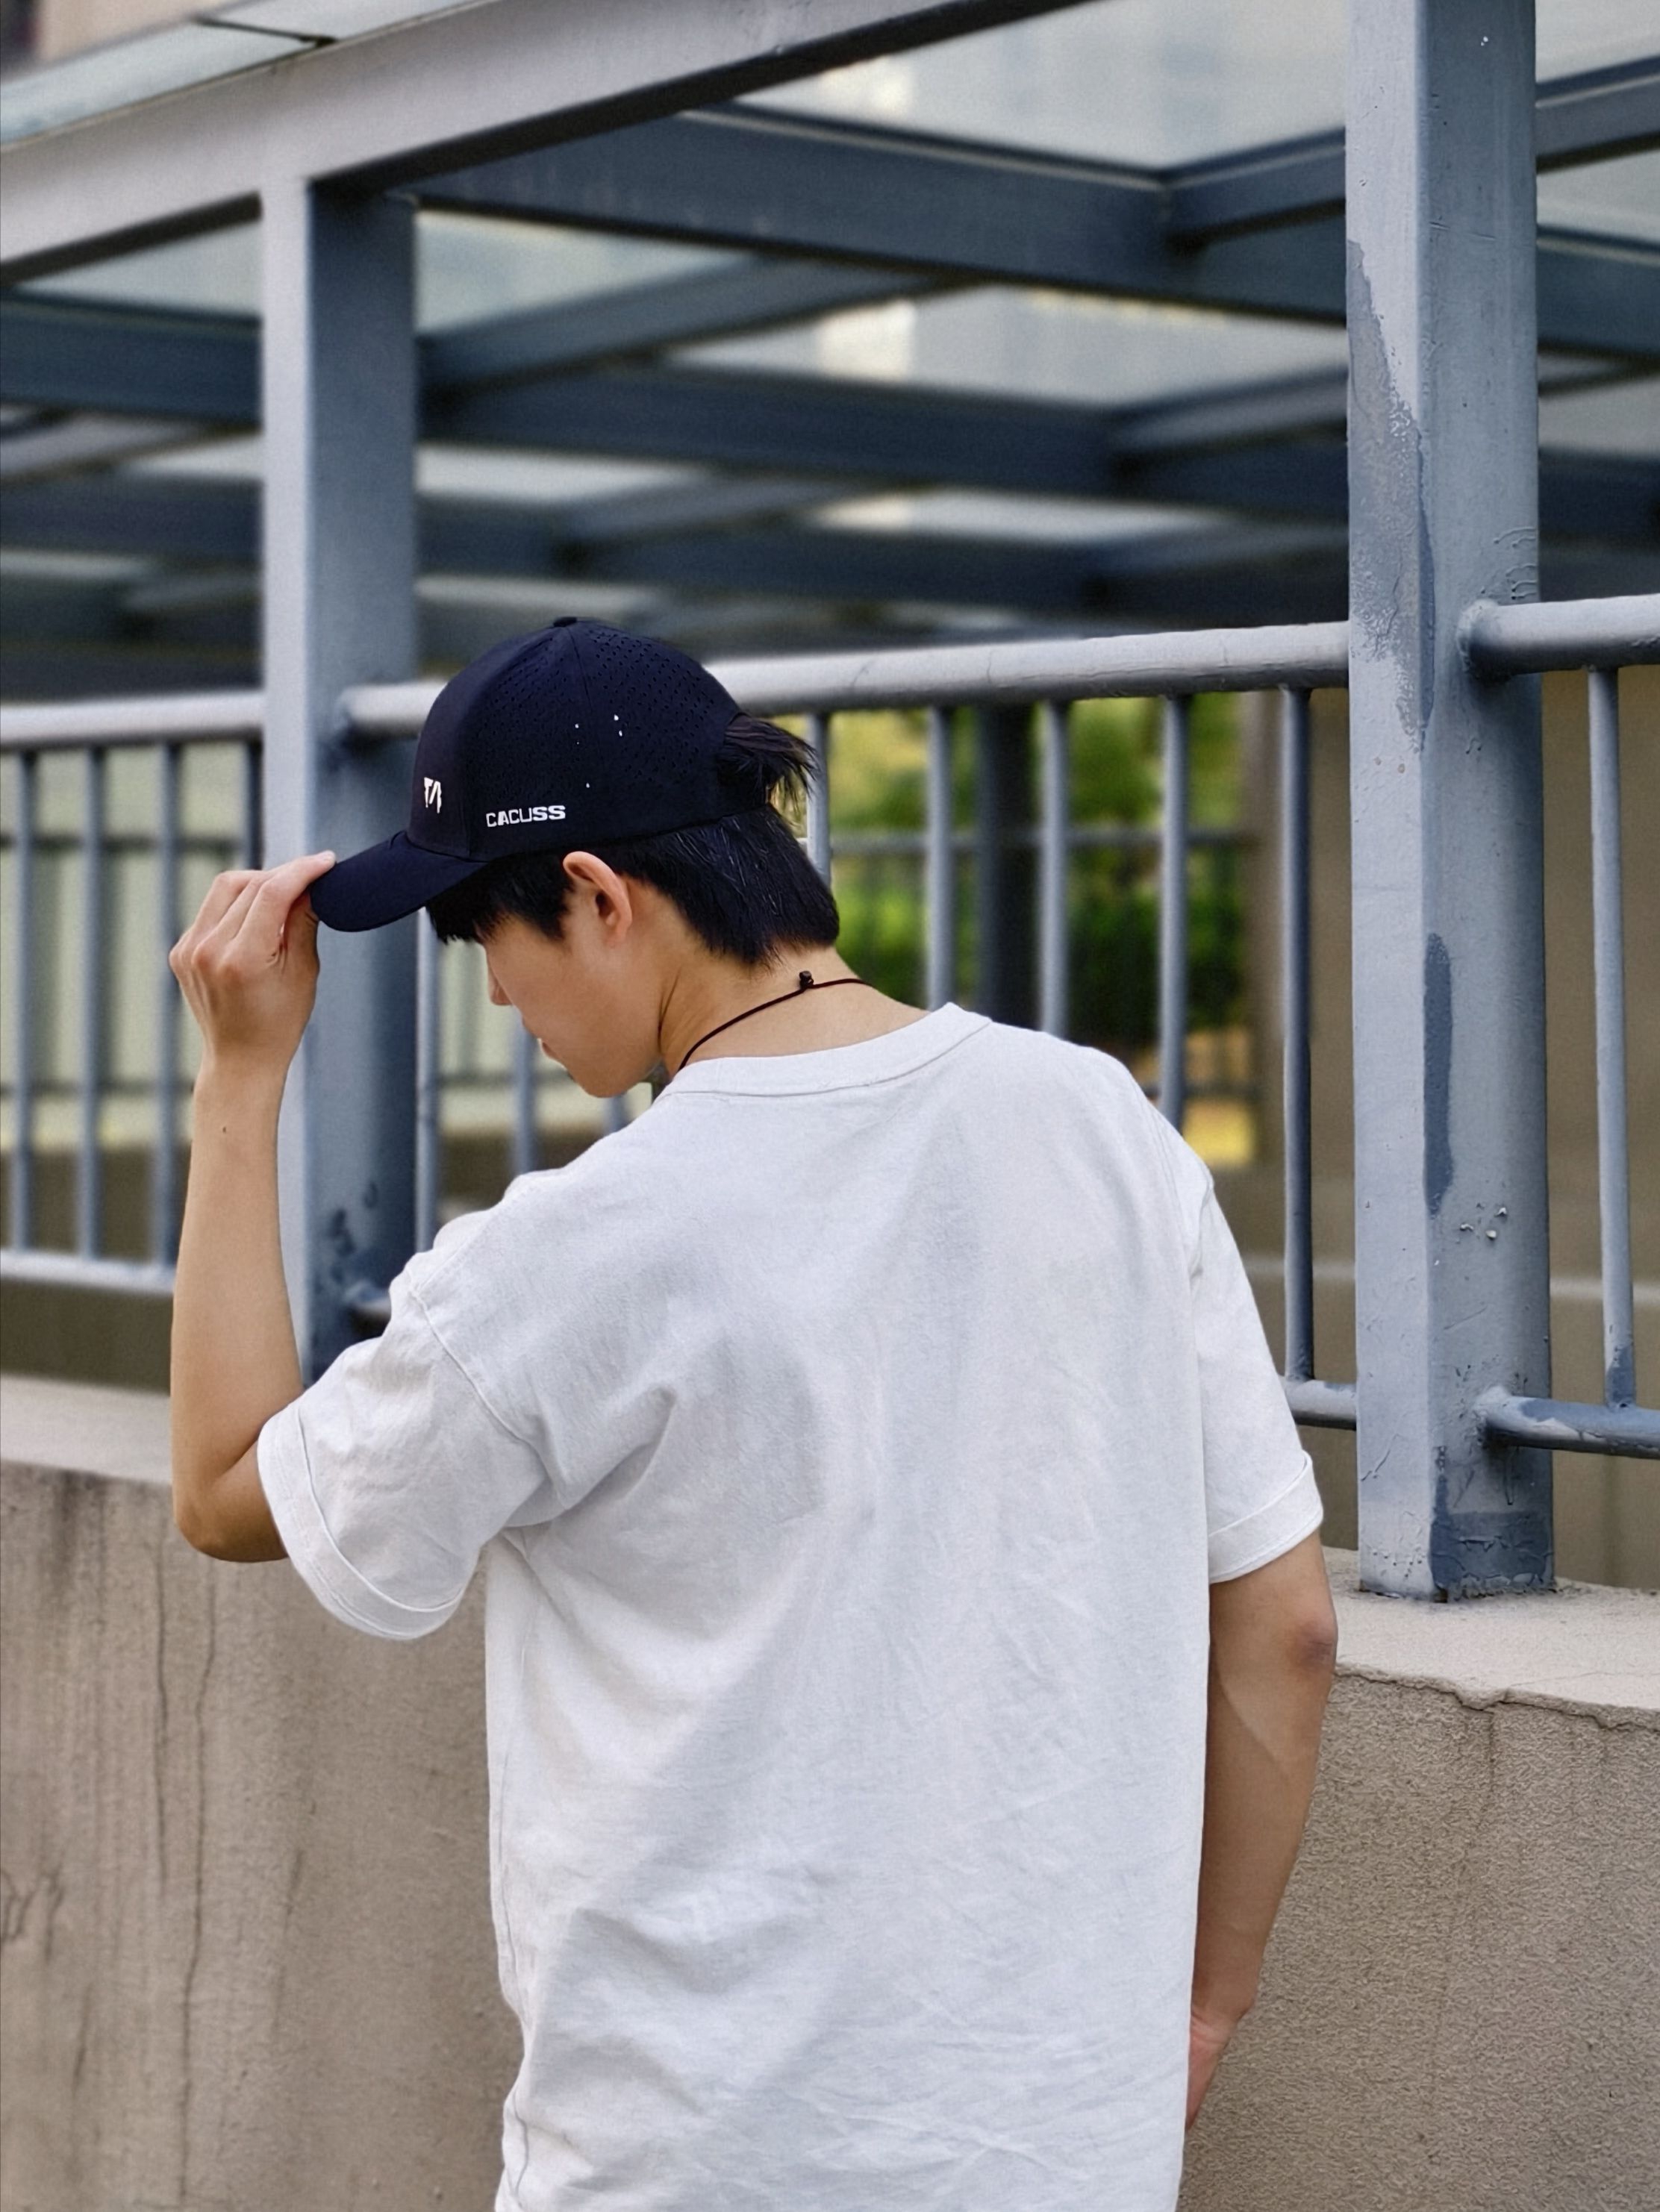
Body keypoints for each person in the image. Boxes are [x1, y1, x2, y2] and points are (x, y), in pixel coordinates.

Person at [169, 618, 1338, 2211]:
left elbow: (224, 1489)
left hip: (697, 2159)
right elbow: (1285, 1629)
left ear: (598, 896)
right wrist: (1202, 2007)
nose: (495, 991)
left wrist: (239, 1083)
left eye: (480, 932)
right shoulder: (1100, 1125)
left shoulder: (575, 1254)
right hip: (1071, 2152)